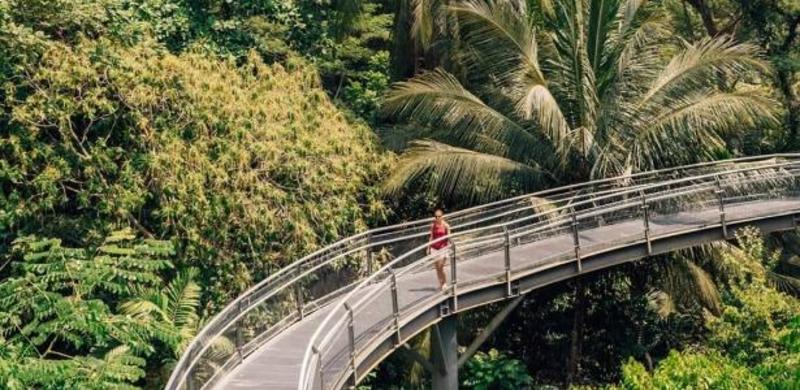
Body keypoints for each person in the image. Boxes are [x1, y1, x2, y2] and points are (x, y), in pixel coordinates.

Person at [427, 208, 451, 291]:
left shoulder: (446, 226)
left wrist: (448, 246)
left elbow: (449, 237)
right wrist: (428, 247)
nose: (437, 218)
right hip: (434, 248)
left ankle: (444, 284)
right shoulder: (433, 225)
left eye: (439, 216)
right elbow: (431, 237)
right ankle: (440, 284)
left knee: (441, 267)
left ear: (442, 216)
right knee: (437, 268)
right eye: (436, 216)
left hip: (443, 248)